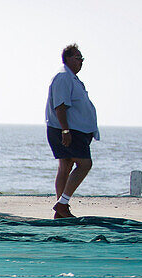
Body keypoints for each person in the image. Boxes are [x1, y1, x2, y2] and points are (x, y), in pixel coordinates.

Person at [46, 44, 98, 218]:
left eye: (82, 59)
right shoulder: (63, 77)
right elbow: (60, 106)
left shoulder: (72, 78)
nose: (81, 62)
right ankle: (62, 204)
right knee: (84, 164)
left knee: (66, 165)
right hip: (68, 130)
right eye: (78, 58)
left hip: (72, 129)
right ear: (67, 58)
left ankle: (62, 209)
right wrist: (66, 131)